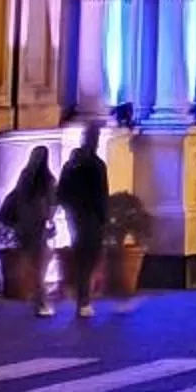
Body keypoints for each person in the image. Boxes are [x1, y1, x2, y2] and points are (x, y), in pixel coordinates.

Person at [57, 124, 110, 319]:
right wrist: (103, 218)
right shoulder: (96, 165)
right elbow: (101, 194)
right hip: (91, 218)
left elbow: (61, 192)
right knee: (89, 258)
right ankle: (84, 300)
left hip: (75, 217)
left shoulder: (72, 165)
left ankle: (83, 298)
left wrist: (69, 209)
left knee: (81, 258)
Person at [0, 145, 55, 316]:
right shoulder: (48, 180)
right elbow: (52, 204)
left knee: (35, 267)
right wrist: (50, 221)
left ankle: (40, 300)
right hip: (39, 229)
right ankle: (42, 302)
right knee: (40, 269)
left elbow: (16, 197)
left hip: (24, 229)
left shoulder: (25, 177)